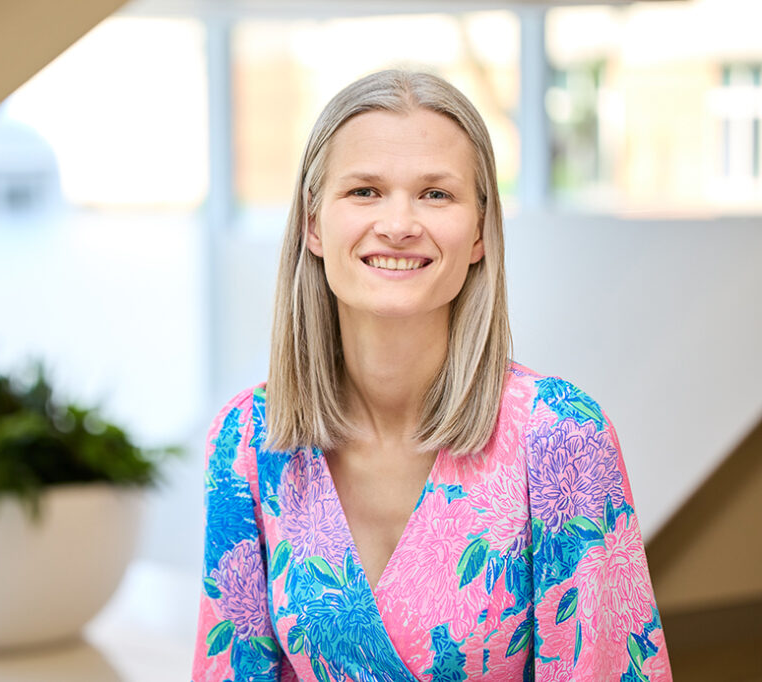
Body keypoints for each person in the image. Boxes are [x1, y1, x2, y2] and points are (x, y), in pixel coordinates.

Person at [191, 70, 672, 681]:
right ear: (314, 224)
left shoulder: (560, 435)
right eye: (364, 191)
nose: (398, 224)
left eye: (436, 194)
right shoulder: (246, 440)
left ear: (478, 231)